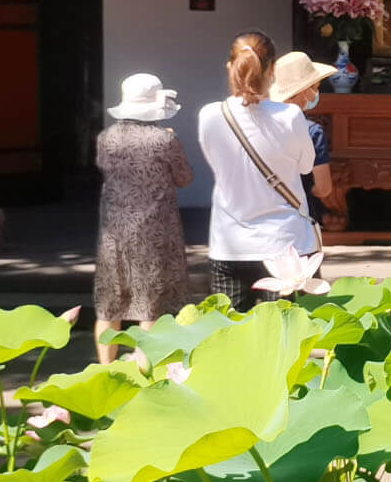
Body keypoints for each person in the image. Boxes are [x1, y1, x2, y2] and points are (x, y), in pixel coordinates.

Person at [197, 31, 318, 304]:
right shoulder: (290, 116)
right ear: (273, 70)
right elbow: (306, 166)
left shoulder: (210, 115)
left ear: (230, 67)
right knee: (285, 339)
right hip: (286, 244)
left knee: (231, 338)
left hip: (229, 243)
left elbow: (215, 161)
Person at [93, 73, 194, 366]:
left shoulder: (105, 138)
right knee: (151, 304)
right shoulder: (164, 140)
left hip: (114, 231)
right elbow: (185, 178)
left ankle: (105, 368)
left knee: (109, 304)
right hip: (155, 232)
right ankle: (144, 368)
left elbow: (105, 169)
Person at [268, 50, 342, 223]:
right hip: (298, 217)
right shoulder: (311, 131)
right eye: (315, 88)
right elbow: (323, 188)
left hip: (257, 218)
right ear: (304, 91)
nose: (316, 94)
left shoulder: (258, 125)